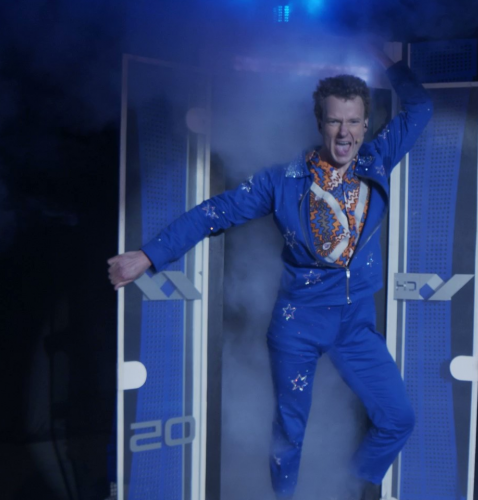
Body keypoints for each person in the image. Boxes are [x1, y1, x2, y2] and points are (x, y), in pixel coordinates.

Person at [108, 44, 433, 500]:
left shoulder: (377, 159)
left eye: (353, 121)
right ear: (320, 123)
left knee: (398, 418)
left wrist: (387, 60)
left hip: (354, 324)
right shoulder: (282, 181)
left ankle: (353, 489)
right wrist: (148, 255)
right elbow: (214, 212)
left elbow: (421, 107)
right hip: (297, 325)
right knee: (289, 434)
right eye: (334, 121)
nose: (344, 132)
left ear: (365, 124)